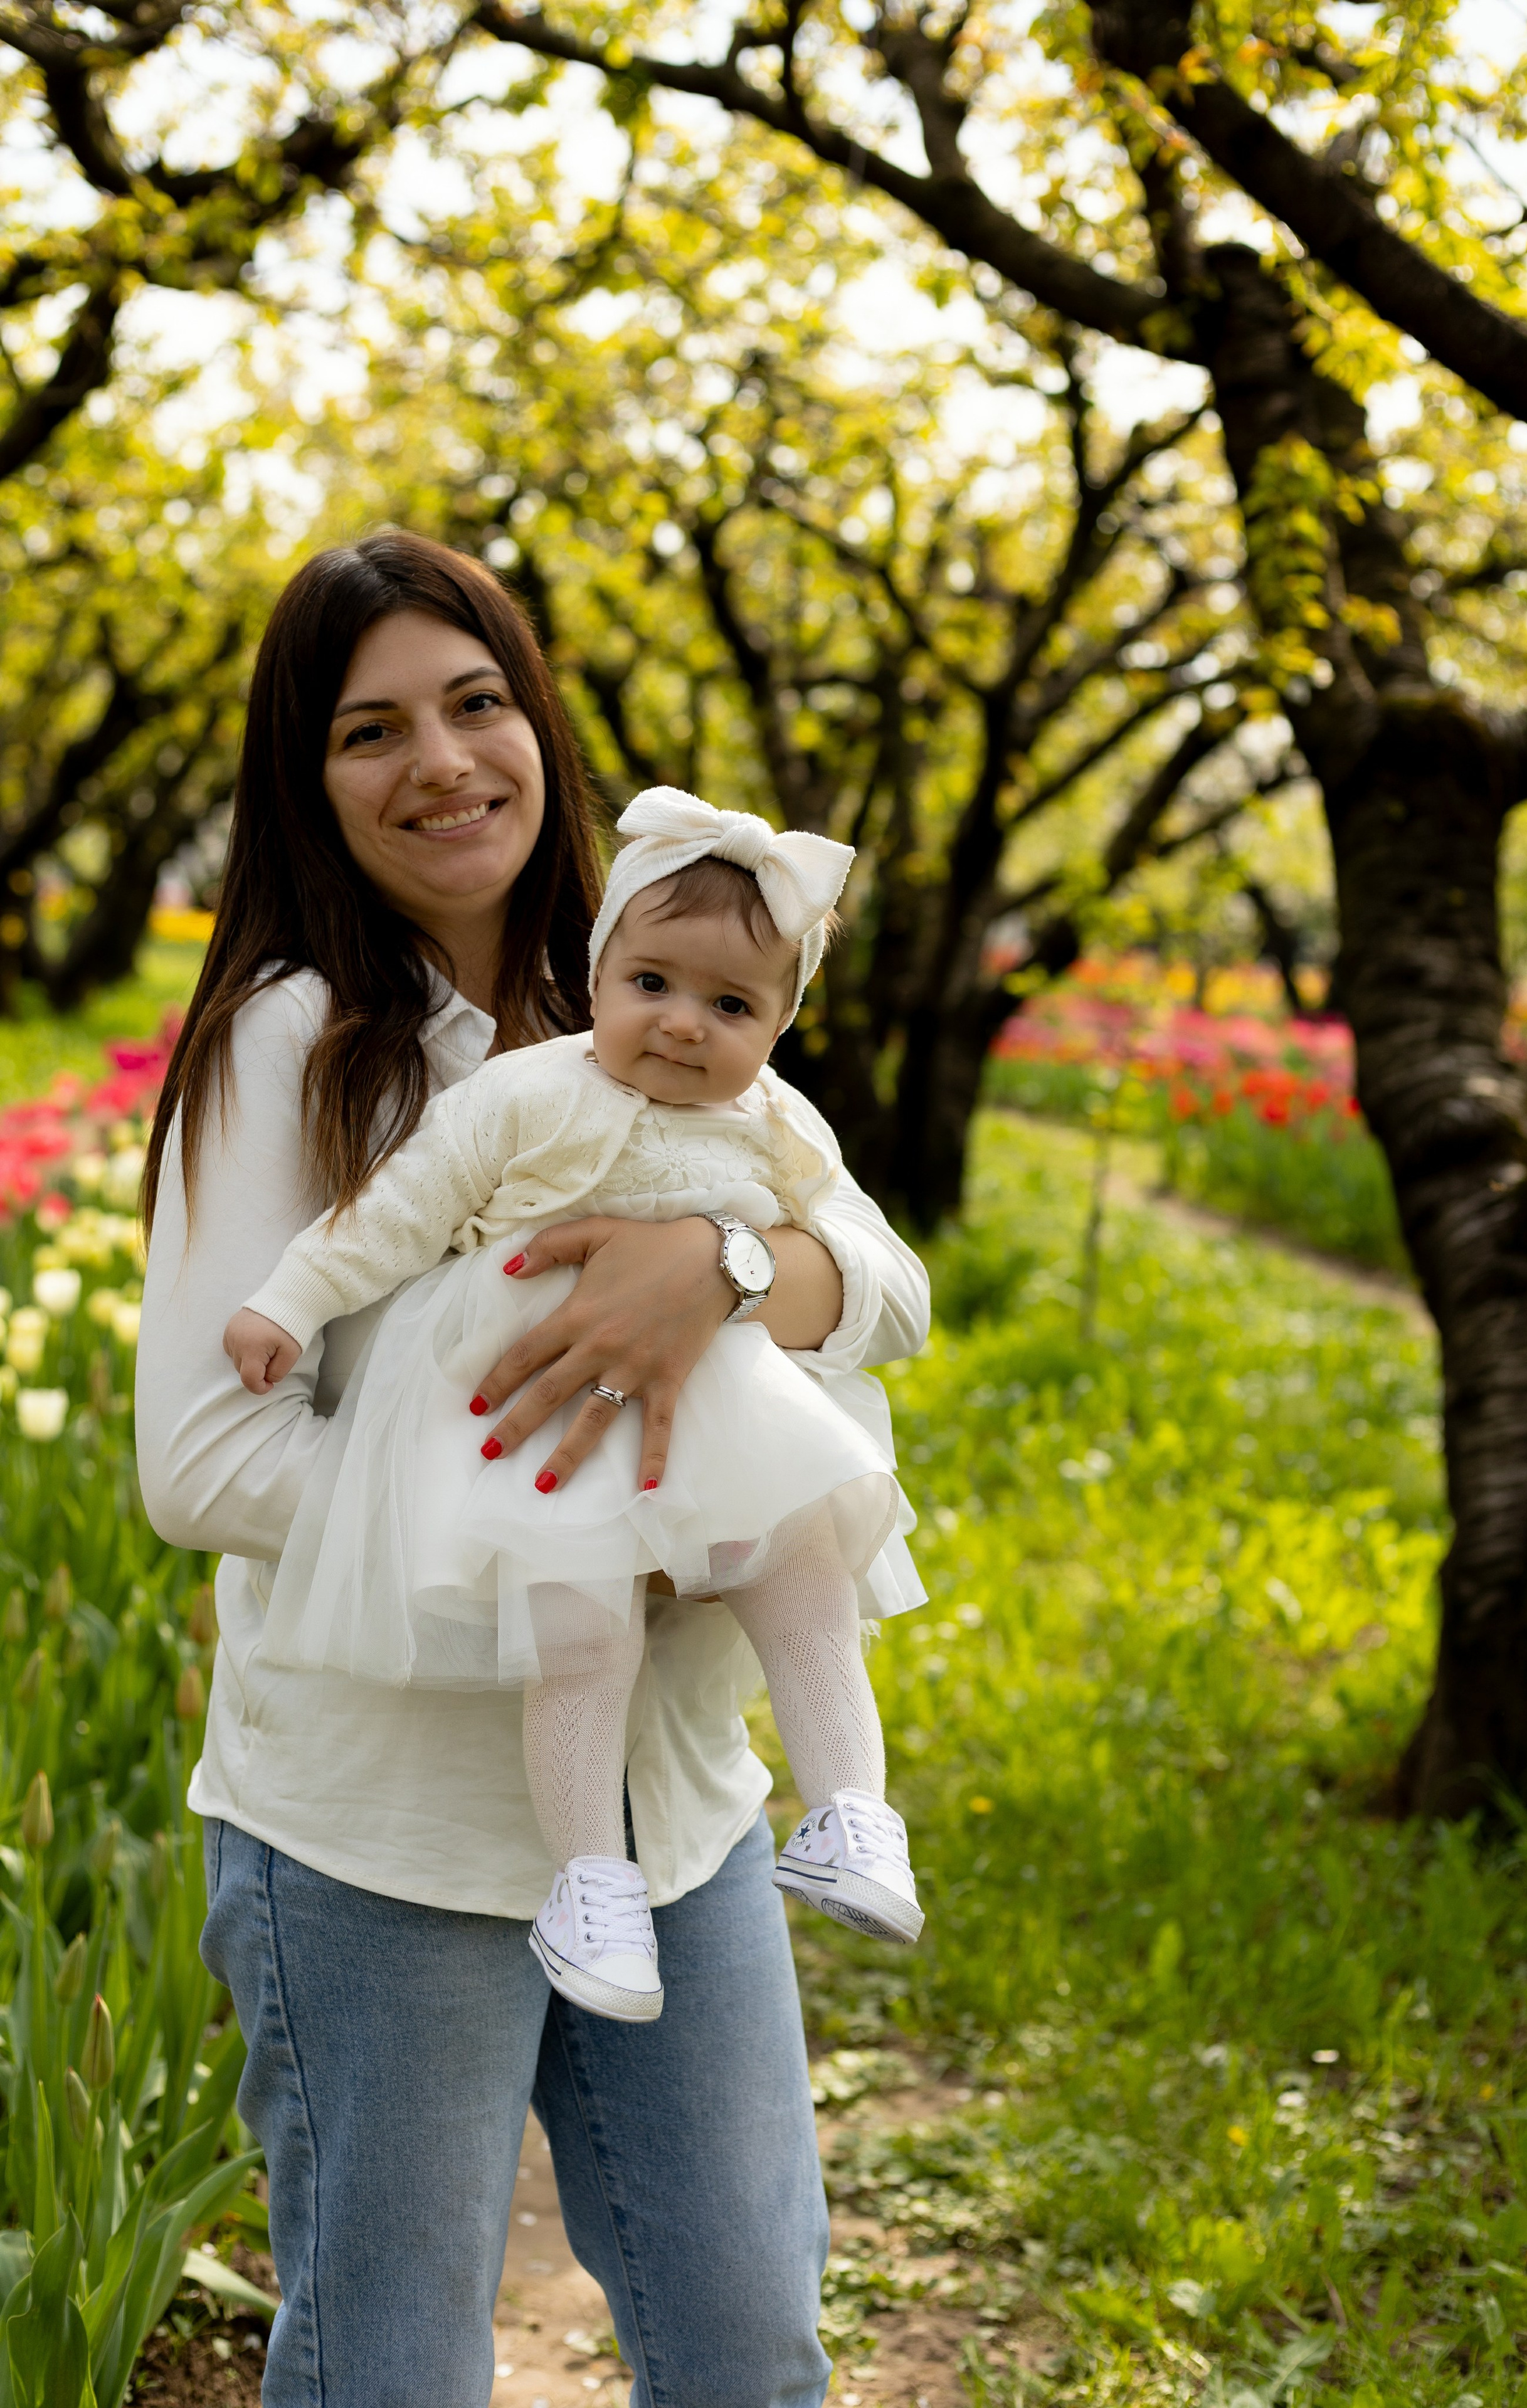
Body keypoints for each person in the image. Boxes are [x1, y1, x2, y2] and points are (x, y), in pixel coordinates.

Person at [135, 529, 930, 2408]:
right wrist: (579, 1542)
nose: (442, 762)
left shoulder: (670, 997)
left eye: (477, 701)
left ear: (542, 725)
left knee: (751, 2347)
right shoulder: (288, 1046)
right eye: (369, 730)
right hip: (376, 1830)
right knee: (393, 2370)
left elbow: (883, 1282)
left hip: (677, 1810)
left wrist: (725, 1269)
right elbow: (200, 1456)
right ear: (304, 782)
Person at [222, 788, 927, 2025]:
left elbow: (880, 1271)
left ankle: (847, 1814)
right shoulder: (528, 1091)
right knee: (583, 1645)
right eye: (650, 983)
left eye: (731, 1007)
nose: (680, 1027)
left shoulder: (776, 1121)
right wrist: (287, 1300)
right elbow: (399, 1212)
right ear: (600, 978)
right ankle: (589, 1883)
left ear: (778, 1026)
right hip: (541, 1419)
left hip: (722, 1415)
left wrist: (741, 1259)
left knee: (805, 1572)